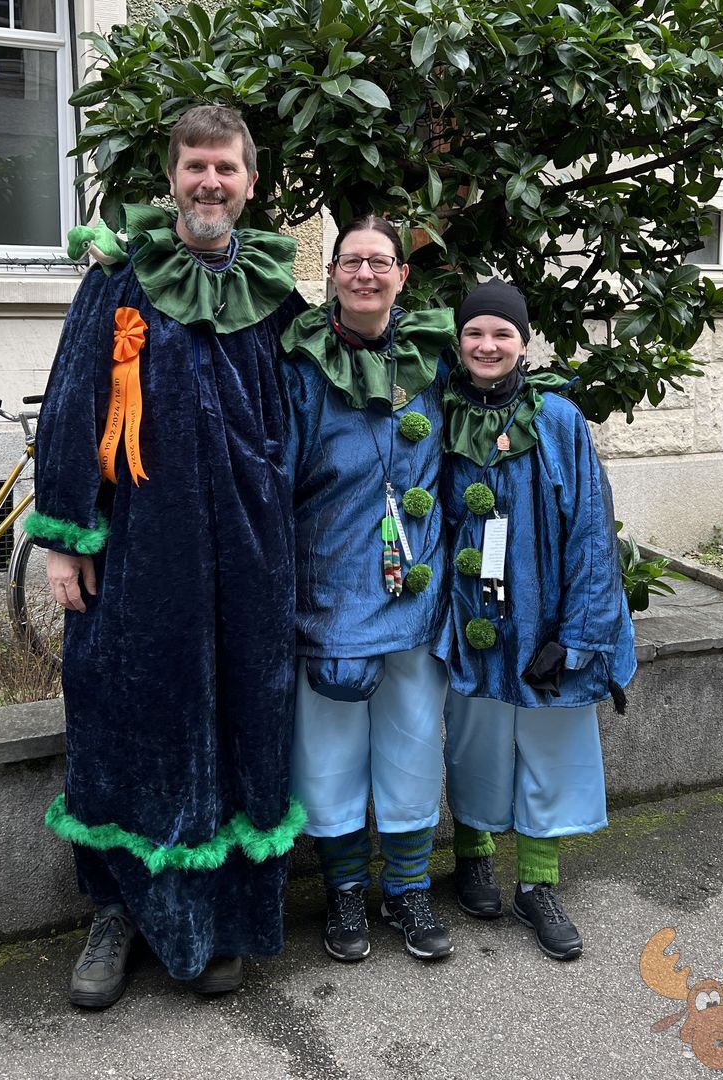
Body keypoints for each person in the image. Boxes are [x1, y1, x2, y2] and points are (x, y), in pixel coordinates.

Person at [26, 105, 308, 1007]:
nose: (209, 183)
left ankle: (223, 920)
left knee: (240, 723)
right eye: (195, 167)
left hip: (251, 560)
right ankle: (117, 911)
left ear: (250, 181)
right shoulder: (120, 280)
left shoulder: (274, 291)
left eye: (225, 168)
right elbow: (72, 407)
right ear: (172, 175)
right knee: (128, 716)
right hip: (142, 553)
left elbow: (314, 418)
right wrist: (65, 541)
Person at [434, 279, 636, 960]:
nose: (487, 345)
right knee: (474, 741)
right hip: (471, 619)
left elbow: (589, 529)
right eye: (474, 333)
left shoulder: (559, 420)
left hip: (547, 619)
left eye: (502, 334)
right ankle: (472, 857)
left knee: (550, 747)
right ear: (459, 342)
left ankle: (539, 884)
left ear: (524, 343)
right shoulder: (438, 413)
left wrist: (578, 637)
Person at [280, 216, 455, 962]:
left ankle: (408, 891)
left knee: (414, 749)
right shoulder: (301, 366)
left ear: (401, 276)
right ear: (332, 273)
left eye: (380, 262)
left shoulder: (432, 361)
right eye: (351, 261)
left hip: (415, 594)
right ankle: (346, 892)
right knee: (328, 755)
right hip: (330, 591)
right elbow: (274, 477)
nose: (365, 274)